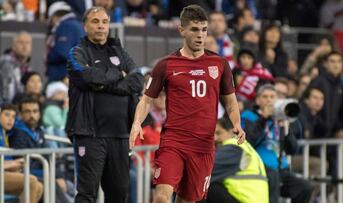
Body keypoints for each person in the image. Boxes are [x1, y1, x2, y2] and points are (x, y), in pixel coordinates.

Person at [129, 5, 246, 203]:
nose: (200, 35)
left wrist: (236, 123)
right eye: (194, 29)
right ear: (182, 30)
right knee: (161, 197)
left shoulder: (219, 64)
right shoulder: (166, 64)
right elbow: (147, 99)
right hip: (173, 142)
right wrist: (136, 123)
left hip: (203, 146)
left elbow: (231, 101)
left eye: (203, 29)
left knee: (188, 200)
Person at [67, 6, 144, 203]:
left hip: (120, 135)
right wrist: (119, 75)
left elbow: (137, 81)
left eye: (104, 22)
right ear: (85, 26)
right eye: (95, 21)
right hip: (89, 134)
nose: (100, 26)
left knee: (119, 194)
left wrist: (102, 84)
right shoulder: (77, 52)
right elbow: (86, 76)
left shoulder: (120, 51)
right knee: (87, 193)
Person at [241, 84, 313, 203]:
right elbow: (249, 141)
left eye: (272, 96)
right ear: (258, 100)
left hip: (281, 170)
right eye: (265, 97)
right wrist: (263, 119)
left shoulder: (279, 118)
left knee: (304, 187)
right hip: (258, 169)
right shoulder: (248, 116)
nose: (269, 100)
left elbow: (292, 150)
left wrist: (286, 129)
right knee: (272, 177)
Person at [204, 117, 268, 203]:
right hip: (251, 200)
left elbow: (207, 169)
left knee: (205, 184)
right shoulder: (246, 147)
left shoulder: (233, 148)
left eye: (219, 133)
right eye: (213, 135)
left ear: (231, 132)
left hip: (243, 200)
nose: (215, 138)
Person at [0, 103, 43, 203]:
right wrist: (13, 164)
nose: (10, 119)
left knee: (39, 186)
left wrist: (15, 165)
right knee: (31, 181)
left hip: (6, 172)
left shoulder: (4, 133)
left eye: (13, 116)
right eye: (6, 115)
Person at [46, 1, 85, 82]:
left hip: (63, 76)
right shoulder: (77, 25)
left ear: (54, 17)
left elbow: (63, 52)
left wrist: (48, 57)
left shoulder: (65, 25)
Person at [0, 31, 32, 103]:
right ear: (13, 46)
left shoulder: (27, 68)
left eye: (27, 43)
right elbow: (7, 94)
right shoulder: (6, 64)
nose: (25, 46)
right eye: (21, 42)